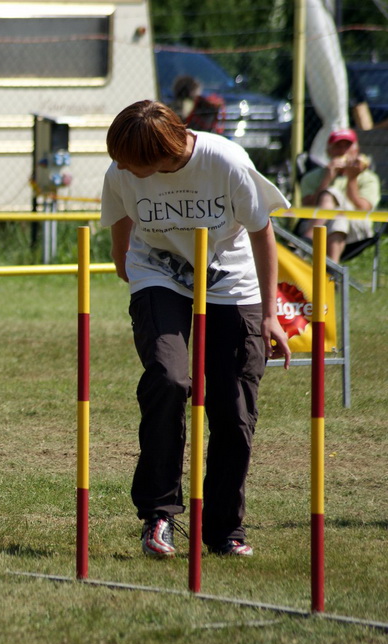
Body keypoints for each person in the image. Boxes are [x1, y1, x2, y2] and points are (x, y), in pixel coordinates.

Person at [101, 100, 291, 559]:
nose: (122, 167)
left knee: (234, 406)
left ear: (163, 154)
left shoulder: (224, 162)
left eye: (132, 162)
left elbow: (262, 229)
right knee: (168, 380)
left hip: (230, 279)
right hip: (159, 274)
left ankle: (225, 531)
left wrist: (269, 313)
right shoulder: (123, 169)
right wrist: (125, 258)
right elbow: (121, 215)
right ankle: (159, 515)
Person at [299, 128, 381, 263]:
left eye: (347, 146)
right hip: (323, 226)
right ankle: (333, 276)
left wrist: (352, 179)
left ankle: (306, 242)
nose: (343, 151)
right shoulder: (312, 177)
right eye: (338, 146)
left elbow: (363, 209)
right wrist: (326, 180)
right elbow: (307, 208)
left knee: (332, 195)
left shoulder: (369, 178)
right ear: (328, 151)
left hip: (357, 228)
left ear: (357, 150)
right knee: (338, 219)